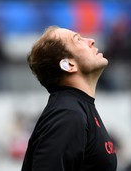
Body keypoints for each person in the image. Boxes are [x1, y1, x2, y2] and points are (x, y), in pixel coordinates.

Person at [21, 26, 118, 171]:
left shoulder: (77, 108)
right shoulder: (68, 113)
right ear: (69, 65)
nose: (91, 40)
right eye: (78, 40)